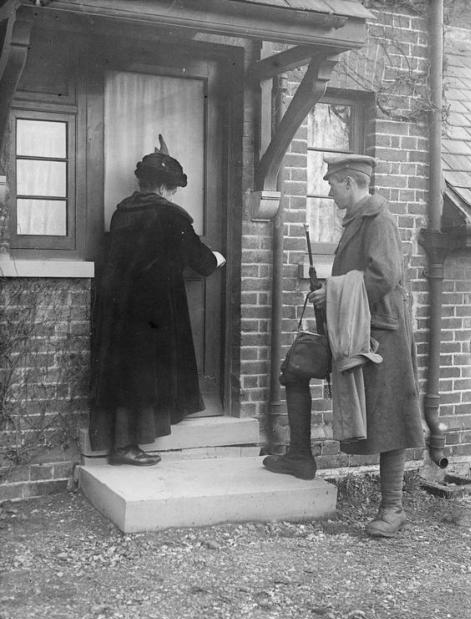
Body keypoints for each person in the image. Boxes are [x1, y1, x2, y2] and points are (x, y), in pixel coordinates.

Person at [263, 154, 424, 538]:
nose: (329, 190)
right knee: (296, 368)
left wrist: (333, 293)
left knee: (389, 415)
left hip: (381, 333)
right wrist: (332, 296)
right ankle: (300, 456)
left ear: (350, 183)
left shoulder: (378, 219)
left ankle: (393, 508)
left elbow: (385, 275)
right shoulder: (357, 218)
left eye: (333, 184)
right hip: (352, 325)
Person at [89, 135, 225, 466]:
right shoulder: (170, 215)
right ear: (165, 187)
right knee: (146, 372)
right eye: (174, 188)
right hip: (153, 310)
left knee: (127, 371)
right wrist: (219, 258)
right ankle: (126, 448)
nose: (175, 193)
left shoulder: (122, 212)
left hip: (118, 308)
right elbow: (201, 261)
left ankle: (122, 443)